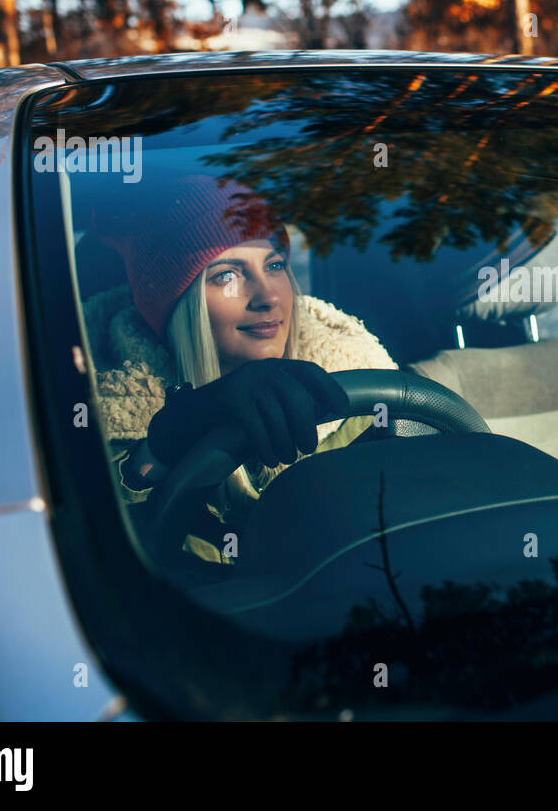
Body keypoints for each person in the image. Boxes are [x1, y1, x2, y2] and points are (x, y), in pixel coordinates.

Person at [80, 175, 396, 568]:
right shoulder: (99, 425)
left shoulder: (365, 397)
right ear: (182, 309)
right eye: (227, 275)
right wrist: (159, 453)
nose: (267, 297)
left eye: (275, 265)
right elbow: (88, 558)